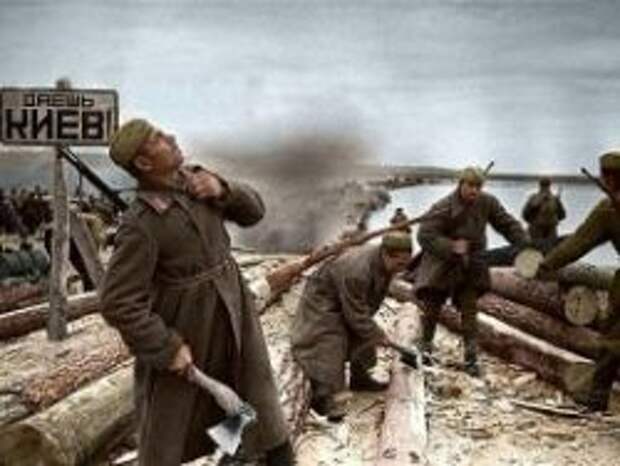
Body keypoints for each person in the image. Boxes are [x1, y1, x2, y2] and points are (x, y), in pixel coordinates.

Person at [99, 119, 293, 466]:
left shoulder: (198, 182)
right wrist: (166, 346)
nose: (171, 137)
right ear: (143, 163)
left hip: (234, 313)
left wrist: (223, 188)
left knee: (255, 399)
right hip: (189, 327)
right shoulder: (141, 224)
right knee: (175, 427)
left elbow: (255, 212)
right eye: (158, 139)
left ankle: (242, 453)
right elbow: (118, 302)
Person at [414, 166, 528, 376]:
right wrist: (451, 246)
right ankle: (425, 347)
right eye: (470, 186)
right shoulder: (443, 206)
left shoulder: (487, 202)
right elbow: (424, 235)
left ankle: (471, 358)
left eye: (478, 186)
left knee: (469, 309)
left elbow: (507, 224)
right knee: (432, 307)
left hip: (470, 264)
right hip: (443, 263)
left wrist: (525, 244)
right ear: (461, 184)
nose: (474, 190)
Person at [291, 231, 412, 421]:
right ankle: (327, 399)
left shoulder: (384, 263)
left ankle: (360, 378)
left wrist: (372, 331)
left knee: (364, 333)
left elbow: (361, 310)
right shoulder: (357, 271)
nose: (402, 269)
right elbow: (356, 314)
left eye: (405, 263)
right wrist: (376, 333)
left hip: (346, 299)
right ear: (386, 254)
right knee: (330, 344)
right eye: (399, 264)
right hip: (323, 301)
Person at [538, 150, 620, 412]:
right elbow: (578, 242)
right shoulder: (609, 208)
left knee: (613, 340)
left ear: (608, 178)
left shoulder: (608, 209)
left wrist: (547, 264)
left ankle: (597, 399)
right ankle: (597, 398)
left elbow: (578, 243)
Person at [521, 177, 566, 243]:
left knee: (534, 247)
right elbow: (562, 216)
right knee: (551, 247)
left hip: (535, 231)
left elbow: (524, 215)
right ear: (550, 185)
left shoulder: (533, 198)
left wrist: (532, 222)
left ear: (539, 185)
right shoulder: (554, 199)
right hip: (551, 232)